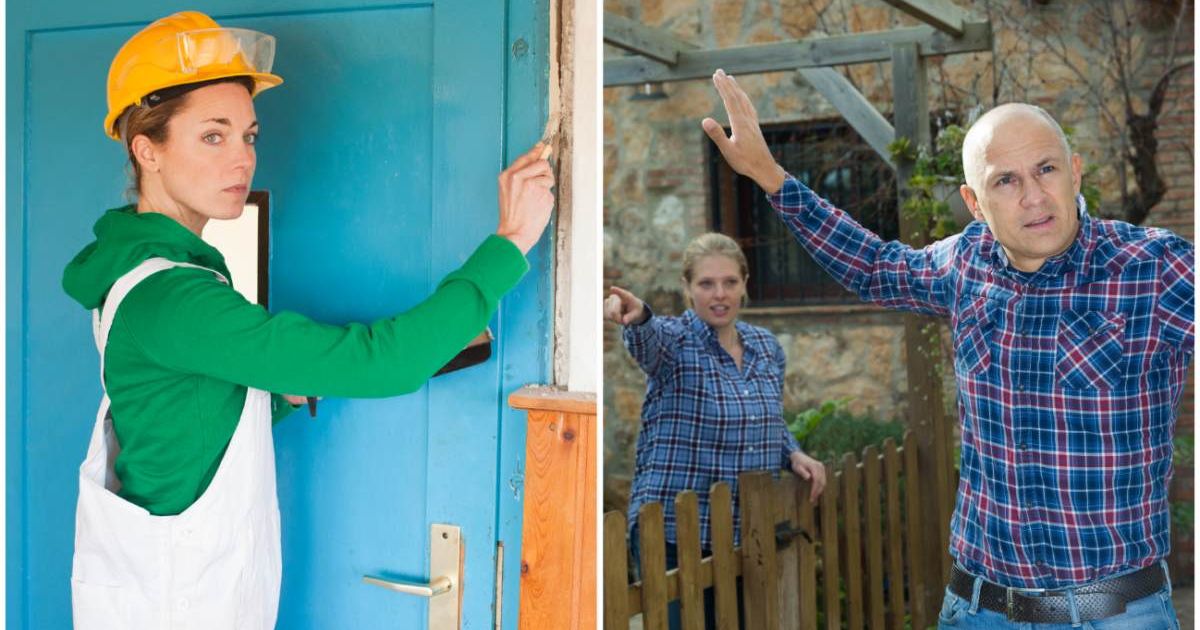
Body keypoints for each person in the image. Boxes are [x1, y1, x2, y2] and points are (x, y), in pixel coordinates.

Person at [63, 12, 555, 629]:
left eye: (249, 135)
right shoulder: (171, 294)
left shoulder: (141, 275)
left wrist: (283, 393)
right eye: (213, 136)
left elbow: (181, 413)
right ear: (147, 149)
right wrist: (509, 241)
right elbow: (384, 364)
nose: (241, 158)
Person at [701, 68, 1193, 628]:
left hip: (1117, 613)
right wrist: (769, 175)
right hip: (980, 608)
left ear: (1075, 171)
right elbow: (874, 266)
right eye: (1005, 181)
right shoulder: (965, 264)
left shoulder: (1156, 270)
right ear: (974, 202)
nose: (1034, 196)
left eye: (1046, 169)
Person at [605, 232, 826, 630]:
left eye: (729, 282)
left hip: (745, 533)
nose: (719, 294)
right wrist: (638, 318)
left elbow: (768, 421)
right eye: (706, 284)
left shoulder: (766, 348)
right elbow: (647, 341)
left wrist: (793, 452)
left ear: (745, 285)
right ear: (687, 288)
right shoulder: (674, 342)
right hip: (673, 533)